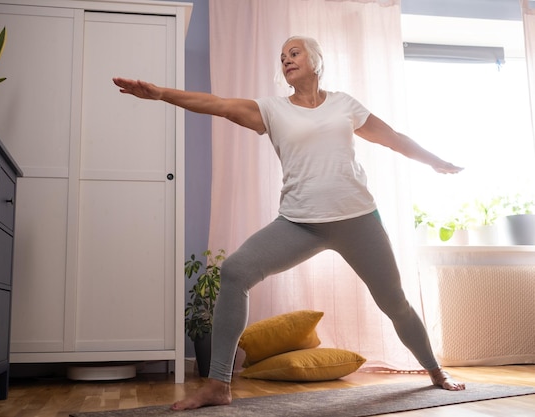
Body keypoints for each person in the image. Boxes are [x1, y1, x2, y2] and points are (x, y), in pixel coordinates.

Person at [113, 35, 466, 411]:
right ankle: (218, 384)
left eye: (294, 53)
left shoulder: (345, 104)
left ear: (315, 60)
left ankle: (434, 371)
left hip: (358, 219)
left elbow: (392, 138)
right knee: (235, 271)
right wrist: (161, 94)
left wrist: (433, 160)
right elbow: (216, 104)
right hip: (300, 223)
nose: (286, 60)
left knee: (394, 302)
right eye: (282, 58)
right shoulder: (272, 110)